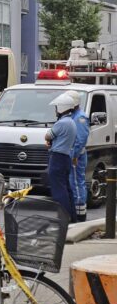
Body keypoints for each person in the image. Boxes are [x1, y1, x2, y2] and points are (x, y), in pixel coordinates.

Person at [45, 92, 79, 220]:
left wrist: (50, 140)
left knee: (59, 190)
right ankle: (72, 216)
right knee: (66, 188)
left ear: (61, 107)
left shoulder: (61, 123)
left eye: (56, 107)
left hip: (57, 158)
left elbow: (48, 135)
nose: (55, 110)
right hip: (66, 157)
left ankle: (63, 217)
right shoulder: (72, 122)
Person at [67, 90, 90, 222]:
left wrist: (73, 155)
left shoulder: (80, 117)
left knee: (76, 182)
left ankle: (80, 213)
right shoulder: (74, 116)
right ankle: (76, 210)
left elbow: (80, 140)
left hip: (76, 156)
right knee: (73, 182)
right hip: (73, 154)